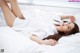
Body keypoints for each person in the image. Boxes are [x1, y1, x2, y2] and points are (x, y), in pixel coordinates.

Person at [0, 0, 79, 46]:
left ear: (66, 32)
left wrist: (44, 42)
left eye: (68, 27)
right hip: (23, 19)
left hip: (17, 24)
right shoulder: (56, 22)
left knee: (2, 2)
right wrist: (69, 16)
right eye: (68, 23)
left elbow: (33, 36)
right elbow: (58, 16)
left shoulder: (49, 31)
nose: (66, 24)